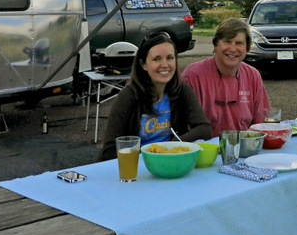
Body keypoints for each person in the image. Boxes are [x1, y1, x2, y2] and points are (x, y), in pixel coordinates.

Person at [100, 32, 212, 161]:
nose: (165, 64)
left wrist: (171, 146)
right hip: (137, 167)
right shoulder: (128, 96)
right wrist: (150, 156)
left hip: (171, 162)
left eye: (170, 57)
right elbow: (109, 150)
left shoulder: (182, 90)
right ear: (143, 65)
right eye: (156, 59)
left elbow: (204, 129)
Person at [181, 18, 271, 137]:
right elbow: (182, 128)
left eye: (239, 43)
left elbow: (261, 124)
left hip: (243, 150)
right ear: (216, 44)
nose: (233, 49)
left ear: (247, 48)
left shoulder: (252, 75)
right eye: (227, 42)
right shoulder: (193, 76)